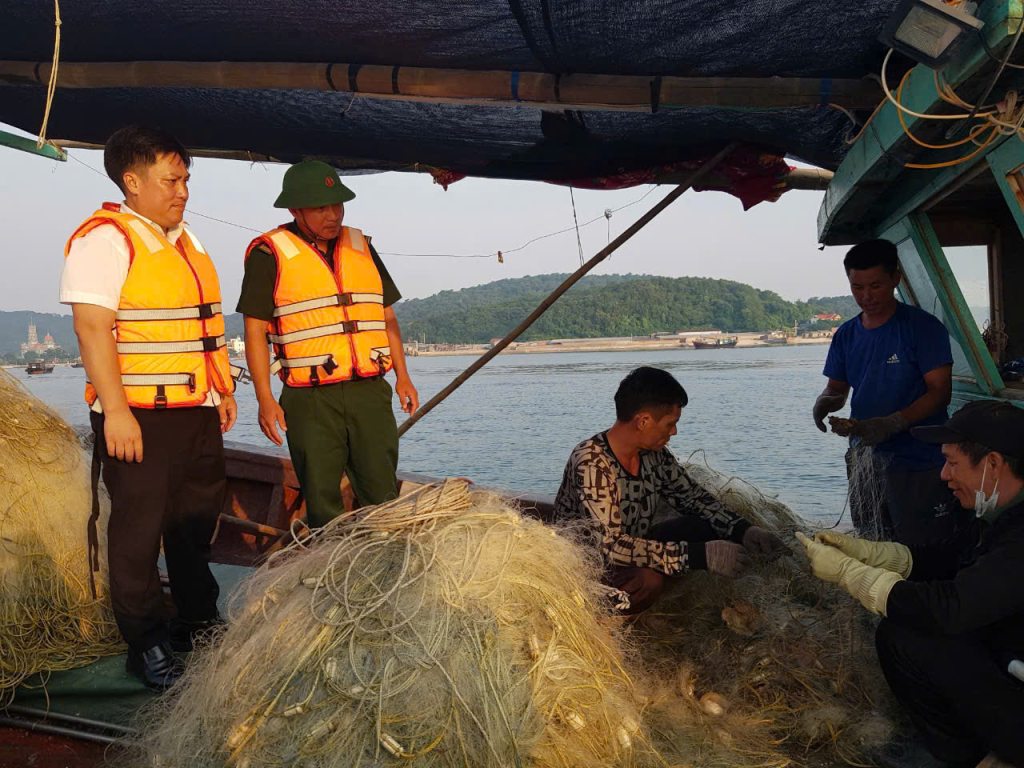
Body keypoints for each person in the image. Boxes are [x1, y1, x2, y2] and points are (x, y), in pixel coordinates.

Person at [60, 125, 240, 691]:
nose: (182, 190)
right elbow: (92, 330)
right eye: (171, 179)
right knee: (138, 533)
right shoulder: (105, 239)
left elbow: (202, 331)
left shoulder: (188, 241)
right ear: (132, 181)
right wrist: (116, 412)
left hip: (196, 409)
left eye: (185, 178)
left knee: (193, 525)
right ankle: (146, 642)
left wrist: (222, 391)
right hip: (137, 414)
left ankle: (197, 621)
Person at [797, 400, 1024, 768]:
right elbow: (948, 557)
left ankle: (978, 759)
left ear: (994, 463)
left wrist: (851, 575)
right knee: (903, 632)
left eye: (952, 463)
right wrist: (868, 553)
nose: (943, 476)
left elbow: (950, 607)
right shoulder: (999, 514)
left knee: (907, 635)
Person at [239, 160, 418, 528]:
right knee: (322, 501)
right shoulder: (269, 253)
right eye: (320, 207)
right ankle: (332, 573)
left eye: (337, 204)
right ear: (295, 209)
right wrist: (265, 399)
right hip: (310, 399)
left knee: (381, 493)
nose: (332, 214)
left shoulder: (362, 247)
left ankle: (384, 568)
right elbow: (254, 331)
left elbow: (387, 319)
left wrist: (403, 377)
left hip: (369, 391)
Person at [553, 366, 788, 613]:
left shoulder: (654, 455)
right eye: (670, 424)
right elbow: (610, 547)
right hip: (588, 567)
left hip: (634, 547)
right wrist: (699, 556)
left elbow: (693, 498)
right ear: (643, 421)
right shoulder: (592, 462)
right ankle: (610, 623)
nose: (674, 431)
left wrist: (744, 530)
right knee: (647, 581)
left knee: (702, 528)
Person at [812, 238, 963, 545]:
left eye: (875, 286)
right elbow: (838, 388)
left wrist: (892, 423)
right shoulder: (846, 334)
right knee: (871, 540)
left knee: (923, 547)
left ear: (896, 279)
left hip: (919, 460)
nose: (866, 296)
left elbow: (939, 392)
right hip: (863, 456)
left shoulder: (923, 327)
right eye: (857, 287)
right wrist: (824, 403)